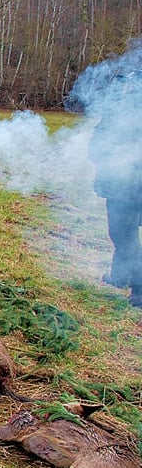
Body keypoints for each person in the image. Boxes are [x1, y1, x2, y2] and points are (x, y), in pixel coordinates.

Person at [88, 82, 142, 307]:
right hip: (127, 184)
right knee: (124, 234)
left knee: (124, 235)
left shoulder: (120, 117)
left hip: (127, 186)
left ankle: (139, 290)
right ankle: (119, 276)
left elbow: (96, 148)